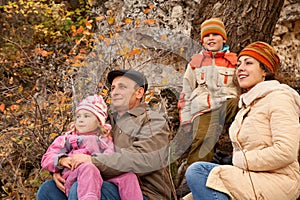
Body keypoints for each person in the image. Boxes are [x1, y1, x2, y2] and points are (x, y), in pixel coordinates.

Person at [184, 41, 300, 200]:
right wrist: (229, 161)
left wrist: (236, 160)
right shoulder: (247, 105)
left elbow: (285, 152)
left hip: (279, 180)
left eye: (249, 63)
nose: (240, 69)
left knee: (198, 171)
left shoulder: (279, 98)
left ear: (264, 70)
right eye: (238, 64)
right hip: (252, 178)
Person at [36, 69, 173, 200]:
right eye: (113, 88)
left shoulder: (152, 120)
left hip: (145, 192)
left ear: (139, 93)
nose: (115, 92)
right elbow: (70, 145)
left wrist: (94, 161)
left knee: (80, 188)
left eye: (122, 87)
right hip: (101, 180)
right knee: (48, 189)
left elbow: (143, 159)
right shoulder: (104, 122)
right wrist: (60, 167)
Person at [176, 18, 239, 195]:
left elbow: (242, 84)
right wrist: (186, 119)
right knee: (204, 139)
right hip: (204, 108)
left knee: (239, 105)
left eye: (216, 35)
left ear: (224, 39)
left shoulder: (234, 61)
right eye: (207, 36)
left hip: (228, 103)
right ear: (202, 40)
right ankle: (190, 183)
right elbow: (186, 92)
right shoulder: (196, 62)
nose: (211, 38)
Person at [40, 95, 143, 200]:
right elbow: (47, 157)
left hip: (101, 175)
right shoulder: (67, 138)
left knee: (129, 176)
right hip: (73, 174)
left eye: (86, 116)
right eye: (78, 116)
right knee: (88, 167)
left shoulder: (104, 139)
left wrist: (95, 159)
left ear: (99, 122)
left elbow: (110, 155)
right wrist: (61, 160)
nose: (80, 120)